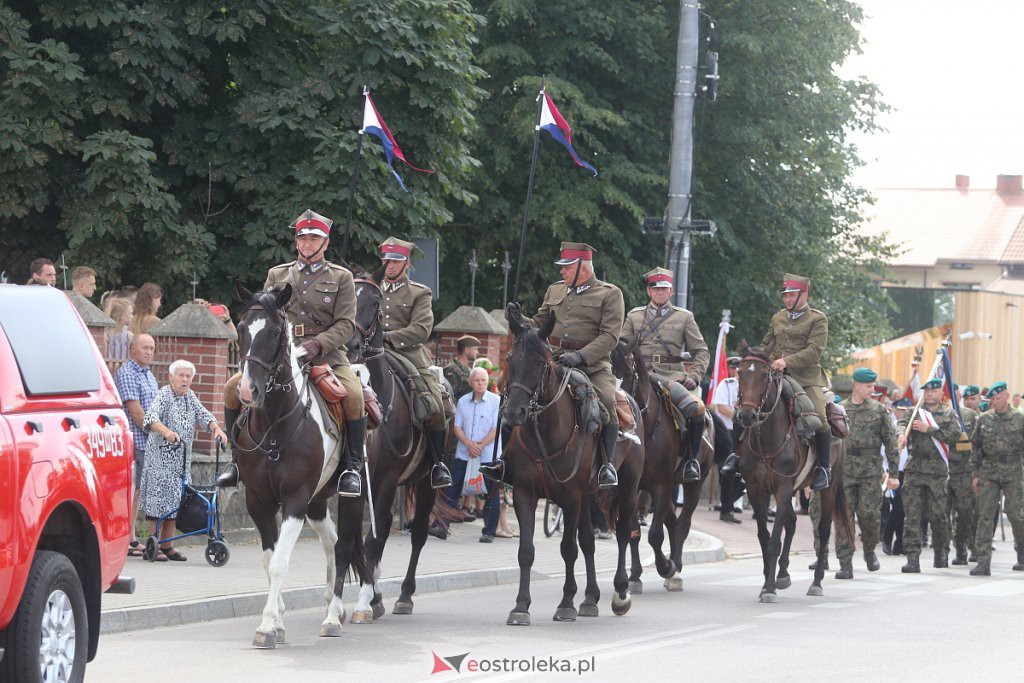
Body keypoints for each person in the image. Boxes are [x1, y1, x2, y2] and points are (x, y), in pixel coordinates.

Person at [218, 209, 367, 496]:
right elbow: (263, 313)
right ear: (296, 241)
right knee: (231, 389)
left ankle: (352, 468)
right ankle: (234, 461)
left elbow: (347, 324)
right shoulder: (277, 274)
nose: (307, 243)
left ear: (325, 243)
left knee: (355, 395)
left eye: (314, 238)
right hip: (280, 356)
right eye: (303, 237)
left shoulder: (341, 277)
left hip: (327, 356)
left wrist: (318, 343)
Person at [482, 242, 623, 488]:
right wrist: (518, 318)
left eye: (566, 267)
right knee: (514, 397)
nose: (562, 271)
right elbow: (538, 324)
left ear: (583, 267)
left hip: (592, 366)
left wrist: (581, 357)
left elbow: (610, 336)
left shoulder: (610, 294)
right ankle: (504, 462)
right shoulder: (555, 290)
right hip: (554, 361)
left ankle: (605, 466)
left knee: (608, 401)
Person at [722, 273, 832, 491]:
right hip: (775, 377)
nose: (788, 299)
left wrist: (786, 361)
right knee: (744, 409)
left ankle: (823, 468)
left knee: (819, 417)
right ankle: (736, 456)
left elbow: (814, 351)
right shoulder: (778, 318)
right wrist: (756, 356)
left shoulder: (818, 319)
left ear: (804, 294)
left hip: (806, 379)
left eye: (792, 295)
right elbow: (767, 344)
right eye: (785, 296)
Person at [620, 267, 709, 483]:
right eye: (655, 288)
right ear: (649, 291)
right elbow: (621, 344)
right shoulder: (634, 315)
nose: (659, 292)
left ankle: (690, 460)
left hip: (671, 377)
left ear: (671, 291)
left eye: (664, 289)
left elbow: (701, 351)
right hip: (637, 375)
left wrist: (695, 375)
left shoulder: (684, 317)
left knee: (696, 409)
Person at [378, 236, 451, 489]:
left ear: (406, 263)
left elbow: (421, 330)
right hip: (369, 354)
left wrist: (387, 337)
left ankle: (438, 463)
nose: (389, 265)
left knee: (433, 403)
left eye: (395, 260)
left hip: (408, 355)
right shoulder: (369, 289)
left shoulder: (420, 292)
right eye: (386, 260)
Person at [141, 359, 227, 561]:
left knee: (176, 501)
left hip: (181, 462)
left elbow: (204, 415)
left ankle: (168, 546)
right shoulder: (164, 394)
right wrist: (167, 432)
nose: (185, 379)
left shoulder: (190, 397)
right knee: (158, 502)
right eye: (181, 375)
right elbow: (150, 418)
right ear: (171, 377)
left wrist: (216, 429)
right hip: (160, 460)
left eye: (189, 376)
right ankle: (154, 546)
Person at [838, 368, 900, 577]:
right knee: (844, 517)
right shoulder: (840, 409)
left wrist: (893, 474)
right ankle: (845, 563)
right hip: (844, 470)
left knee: (870, 516)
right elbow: (830, 442)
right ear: (856, 384)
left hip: (870, 472)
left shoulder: (878, 410)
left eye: (873, 386)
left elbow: (891, 442)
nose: (872, 390)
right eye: (868, 386)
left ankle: (869, 551)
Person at [896, 377, 961, 572]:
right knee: (912, 516)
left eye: (934, 391)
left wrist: (929, 429)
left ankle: (941, 551)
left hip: (937, 471)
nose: (930, 394)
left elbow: (955, 435)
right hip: (915, 468)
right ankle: (912, 558)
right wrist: (900, 434)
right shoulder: (914, 411)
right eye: (927, 391)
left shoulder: (948, 414)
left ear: (941, 394)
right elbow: (901, 424)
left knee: (938, 515)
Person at [434, 367, 502, 542]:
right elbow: (457, 428)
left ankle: (489, 531)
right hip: (465, 453)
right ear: (470, 382)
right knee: (452, 490)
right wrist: (470, 445)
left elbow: (496, 429)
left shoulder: (496, 401)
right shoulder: (463, 401)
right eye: (477, 380)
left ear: (488, 382)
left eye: (483, 380)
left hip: (488, 455)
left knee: (491, 493)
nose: (480, 383)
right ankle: (442, 526)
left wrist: (479, 446)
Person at [969, 382, 1024, 576]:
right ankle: (983, 561)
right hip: (989, 471)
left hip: (1014, 471)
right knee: (984, 515)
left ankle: (1022, 551)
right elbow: (975, 447)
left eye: (997, 398)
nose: (994, 402)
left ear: (1006, 396)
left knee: (1016, 514)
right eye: (991, 399)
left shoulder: (1020, 418)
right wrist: (975, 474)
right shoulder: (984, 419)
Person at [114, 333, 158, 557]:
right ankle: (128, 540)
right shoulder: (127, 373)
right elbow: (137, 413)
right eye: (144, 348)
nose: (149, 352)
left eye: (152, 348)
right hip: (135, 440)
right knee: (131, 491)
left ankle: (131, 537)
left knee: (138, 492)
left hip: (148, 442)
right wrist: (160, 432)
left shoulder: (150, 376)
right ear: (132, 349)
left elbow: (155, 410)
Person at [948, 387, 980, 565]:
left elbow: (979, 444)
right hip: (942, 470)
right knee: (942, 514)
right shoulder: (934, 415)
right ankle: (950, 550)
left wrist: (977, 472)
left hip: (965, 472)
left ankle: (971, 547)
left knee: (967, 512)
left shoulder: (970, 417)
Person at [711, 356, 743, 523]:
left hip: (743, 433)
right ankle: (726, 509)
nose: (736, 370)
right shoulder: (726, 384)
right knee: (727, 472)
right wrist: (740, 416)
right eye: (734, 367)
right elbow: (721, 407)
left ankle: (727, 503)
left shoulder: (749, 386)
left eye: (739, 367)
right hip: (726, 432)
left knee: (742, 474)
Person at [882, 397, 911, 555]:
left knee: (906, 508)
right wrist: (884, 472)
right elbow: (882, 452)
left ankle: (900, 543)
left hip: (909, 472)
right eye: (900, 410)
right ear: (895, 410)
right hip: (893, 472)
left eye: (906, 411)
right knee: (898, 506)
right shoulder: (890, 427)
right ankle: (887, 538)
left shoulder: (912, 428)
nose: (903, 413)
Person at [444, 335, 481, 401]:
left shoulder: (469, 370)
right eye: (475, 349)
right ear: (467, 350)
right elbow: (451, 395)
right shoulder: (451, 369)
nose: (477, 352)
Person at [104, 297, 134, 362]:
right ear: (121, 315)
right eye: (130, 313)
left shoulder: (129, 335)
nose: (132, 317)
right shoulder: (106, 335)